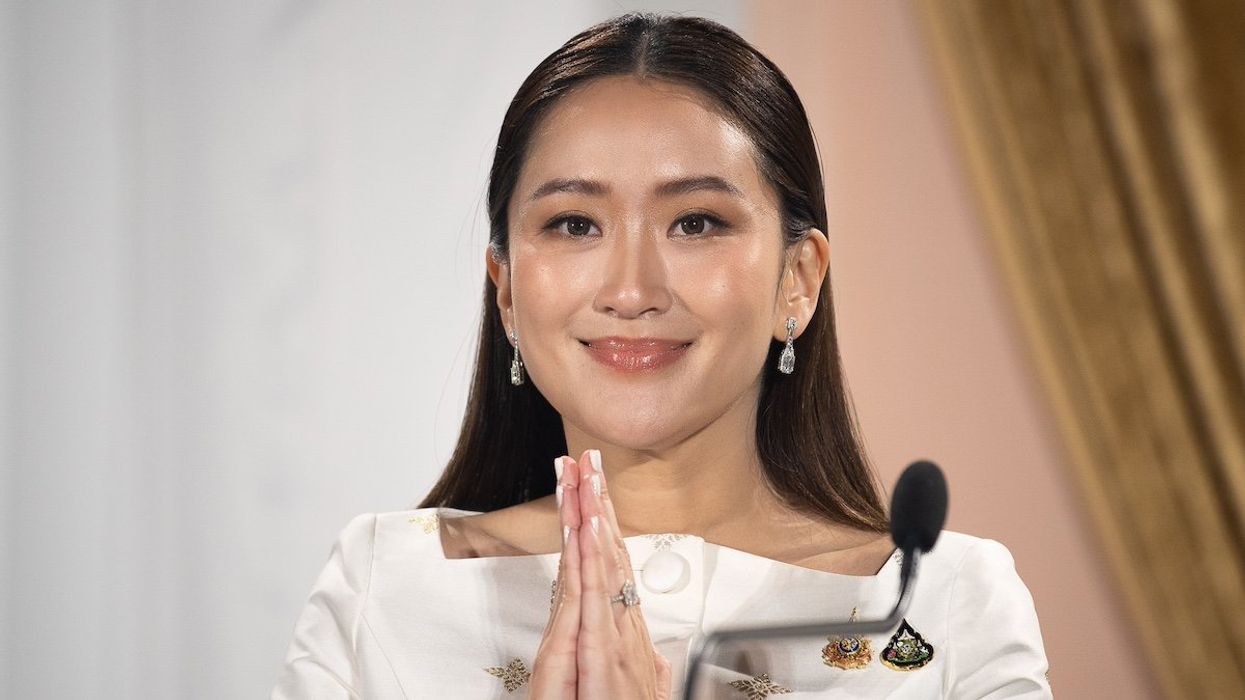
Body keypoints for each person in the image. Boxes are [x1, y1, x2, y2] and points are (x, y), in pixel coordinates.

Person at [272, 12, 1051, 699]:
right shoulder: (386, 585)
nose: (631, 288)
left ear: (797, 280)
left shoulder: (938, 601)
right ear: (505, 291)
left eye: (697, 222)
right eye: (574, 224)